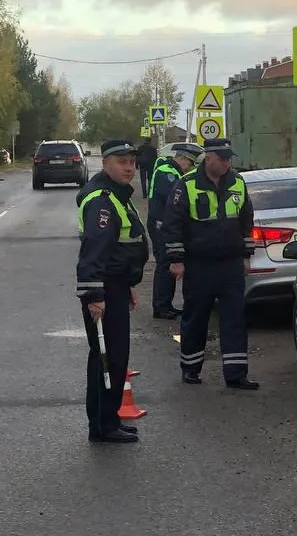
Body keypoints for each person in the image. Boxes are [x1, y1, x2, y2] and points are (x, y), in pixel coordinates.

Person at [162, 138, 259, 390]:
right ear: (209, 157)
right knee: (195, 319)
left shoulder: (237, 182)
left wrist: (247, 255)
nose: (227, 163)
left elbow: (246, 220)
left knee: (235, 319)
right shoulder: (187, 185)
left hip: (230, 264)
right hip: (198, 265)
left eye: (229, 158)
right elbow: (173, 224)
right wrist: (176, 260)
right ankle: (191, 369)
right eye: (222, 158)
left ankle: (236, 374)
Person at [76, 139, 150, 443]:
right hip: (104, 291)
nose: (129, 167)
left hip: (115, 286)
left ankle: (107, 419)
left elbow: (121, 247)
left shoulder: (117, 195)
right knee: (109, 359)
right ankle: (103, 425)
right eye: (122, 162)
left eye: (132, 162)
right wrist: (95, 295)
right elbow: (94, 251)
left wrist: (127, 285)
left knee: (112, 357)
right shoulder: (102, 200)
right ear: (106, 163)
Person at [147, 143, 203, 319]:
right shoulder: (167, 172)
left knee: (167, 263)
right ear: (183, 159)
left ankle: (165, 304)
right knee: (165, 264)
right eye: (190, 164)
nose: (189, 168)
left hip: (163, 223)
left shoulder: (172, 171)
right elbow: (175, 197)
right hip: (161, 224)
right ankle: (161, 306)